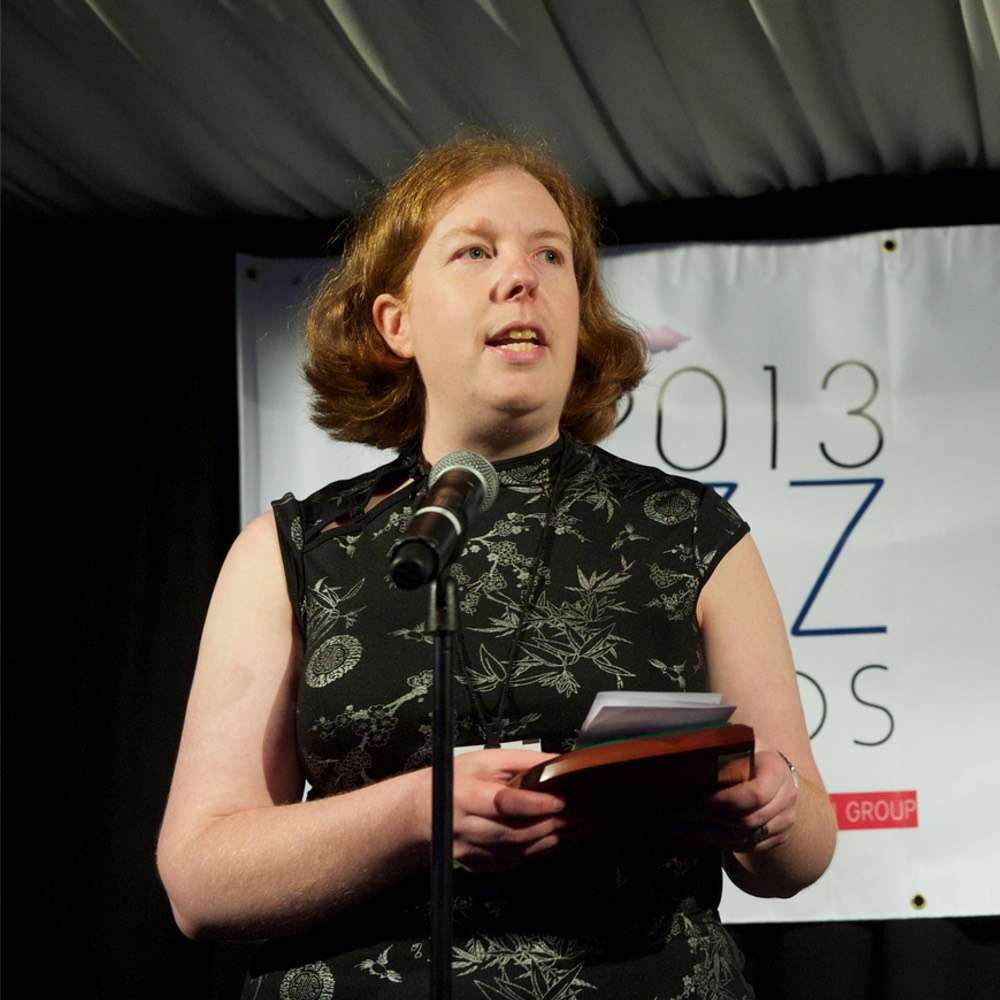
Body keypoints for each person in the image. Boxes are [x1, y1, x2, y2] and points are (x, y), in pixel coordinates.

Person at [157, 134, 837, 999]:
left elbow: (801, 852)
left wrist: (772, 810)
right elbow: (200, 881)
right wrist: (416, 814)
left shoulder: (691, 531)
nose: (522, 277)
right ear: (396, 322)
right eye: (475, 251)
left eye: (551, 256)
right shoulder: (294, 548)